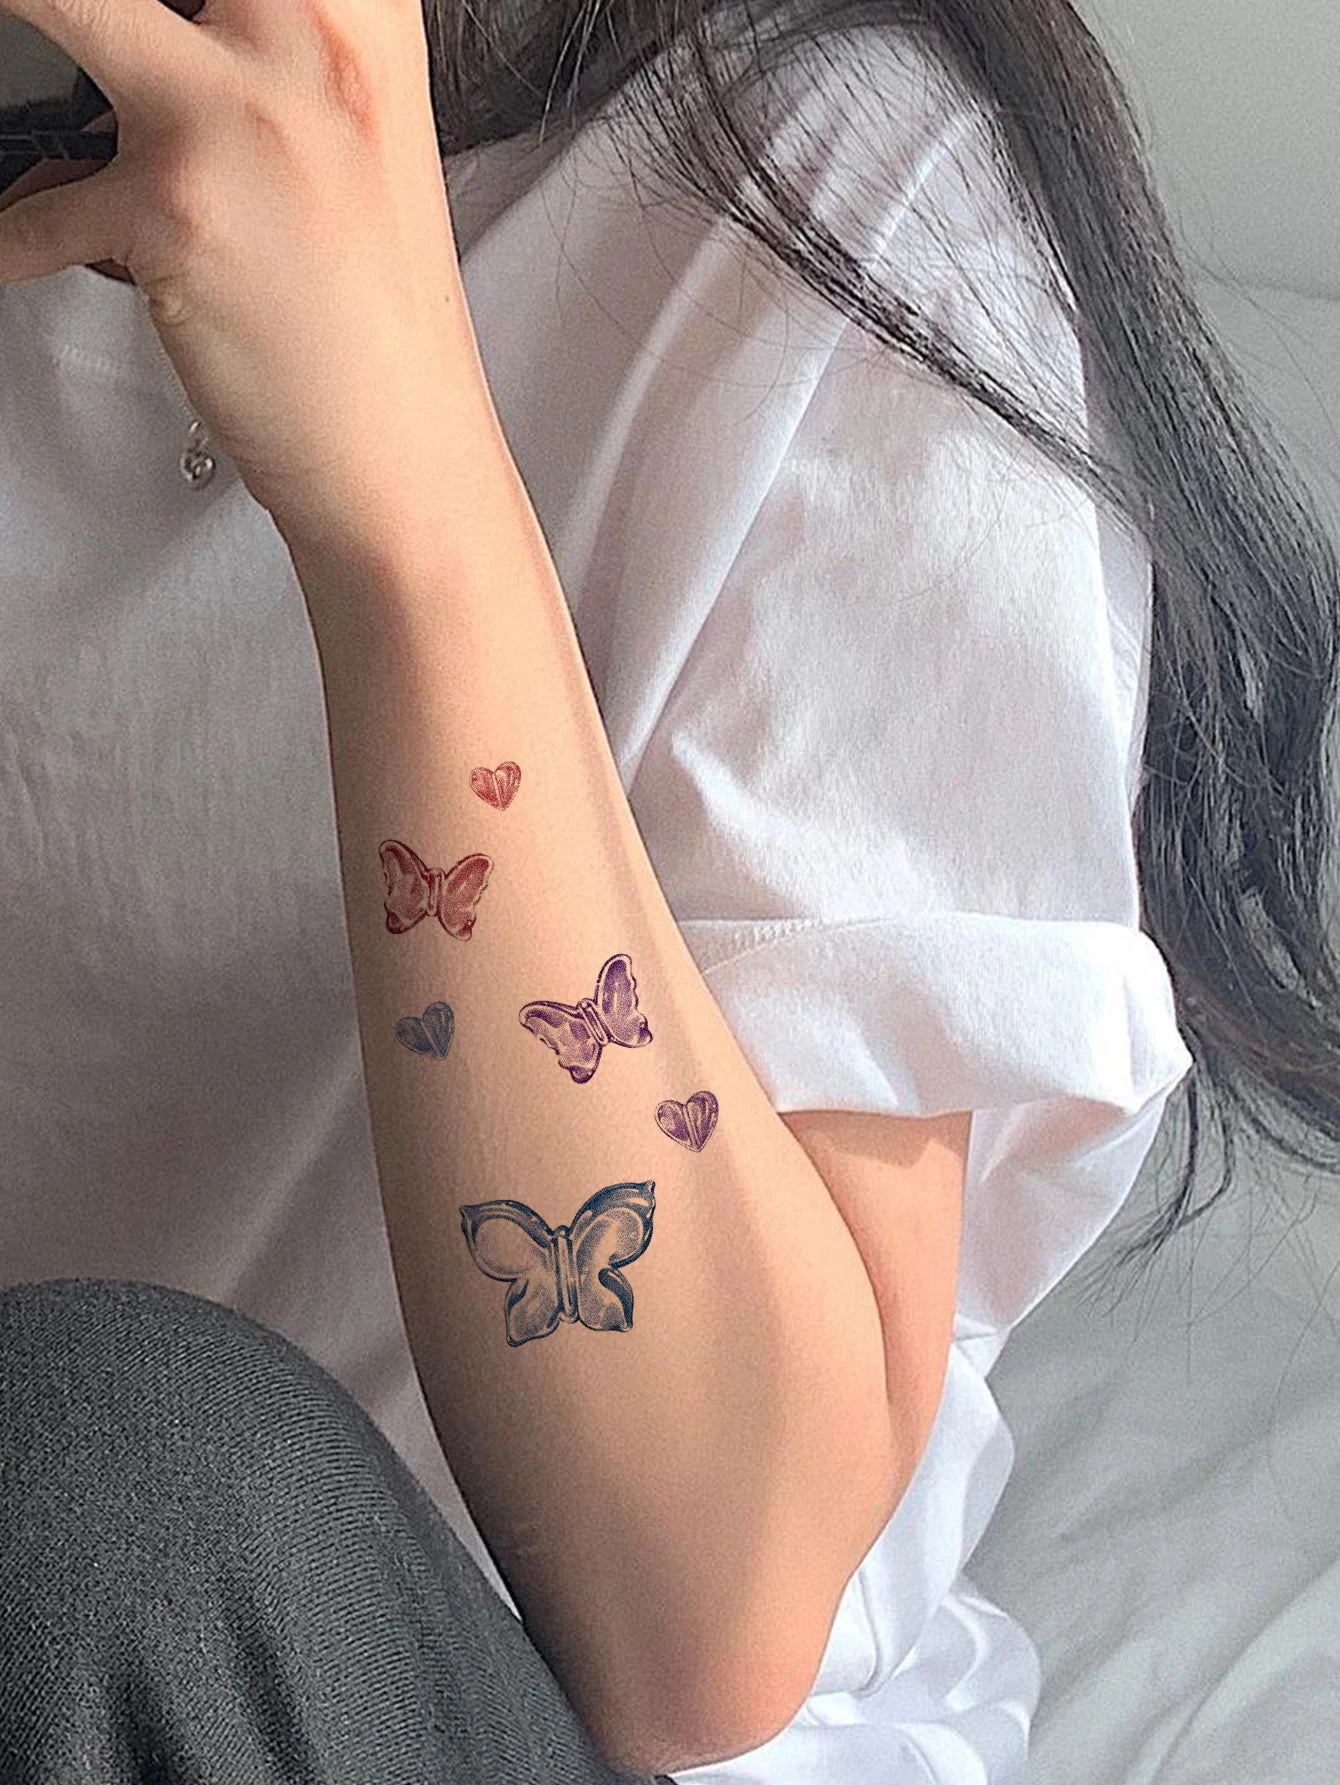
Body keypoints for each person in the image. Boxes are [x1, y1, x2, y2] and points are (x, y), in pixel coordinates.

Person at [0, 2, 1336, 1782]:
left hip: (490, 1704)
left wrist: (403, 497)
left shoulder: (849, 199)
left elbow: (708, 1619)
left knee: (122, 1491)